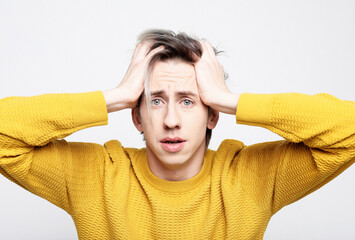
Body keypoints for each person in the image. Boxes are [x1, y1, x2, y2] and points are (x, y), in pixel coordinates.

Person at [0, 29, 354, 240]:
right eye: (156, 101)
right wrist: (116, 96)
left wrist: (230, 100)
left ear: (212, 115)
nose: (171, 120)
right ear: (136, 117)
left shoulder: (251, 176)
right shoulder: (95, 174)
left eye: (188, 101)